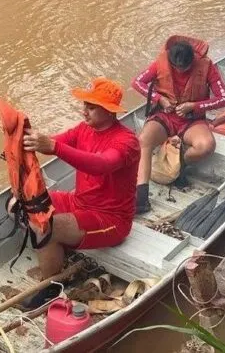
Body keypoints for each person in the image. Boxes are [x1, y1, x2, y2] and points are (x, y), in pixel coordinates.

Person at [22, 77, 140, 288]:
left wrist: (53, 147)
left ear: (109, 110)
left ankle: (50, 288)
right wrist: (24, 142)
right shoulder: (83, 129)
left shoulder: (126, 141)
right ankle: (58, 255)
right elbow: (53, 141)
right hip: (79, 202)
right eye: (85, 105)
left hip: (110, 220)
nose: (85, 111)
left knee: (47, 226)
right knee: (26, 203)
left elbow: (101, 164)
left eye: (92, 107)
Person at [132, 35, 225, 213]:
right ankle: (142, 197)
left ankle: (179, 164)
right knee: (144, 140)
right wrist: (159, 99)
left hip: (192, 120)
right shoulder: (160, 62)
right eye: (177, 68)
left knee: (206, 146)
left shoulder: (207, 66)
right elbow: (137, 82)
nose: (181, 70)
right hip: (165, 116)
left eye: (185, 67)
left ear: (193, 60)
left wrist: (195, 106)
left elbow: (224, 98)